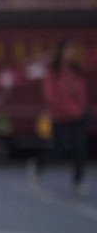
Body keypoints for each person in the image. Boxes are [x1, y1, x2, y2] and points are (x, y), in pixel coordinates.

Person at [28, 39, 91, 195]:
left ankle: (77, 182)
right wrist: (68, 109)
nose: (69, 54)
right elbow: (50, 95)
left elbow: (82, 92)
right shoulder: (54, 71)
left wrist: (82, 108)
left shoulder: (75, 70)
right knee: (59, 148)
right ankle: (38, 165)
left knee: (80, 149)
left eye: (71, 51)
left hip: (78, 117)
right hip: (60, 117)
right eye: (66, 51)